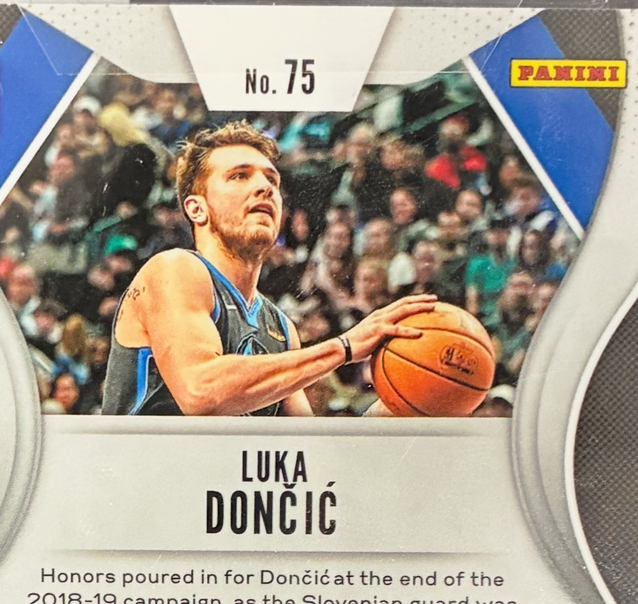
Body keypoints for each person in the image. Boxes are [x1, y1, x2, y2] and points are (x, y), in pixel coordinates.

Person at [100, 122, 436, 416]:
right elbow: (200, 392)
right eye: (240, 176)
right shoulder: (172, 269)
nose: (265, 187)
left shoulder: (279, 327)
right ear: (197, 208)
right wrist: (344, 347)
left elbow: (308, 447)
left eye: (272, 180)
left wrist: (410, 399)